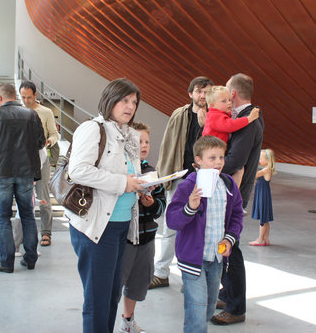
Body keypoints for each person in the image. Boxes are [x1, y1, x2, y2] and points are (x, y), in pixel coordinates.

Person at [68, 78, 145, 333]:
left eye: (134, 102)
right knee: (98, 300)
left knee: (112, 295)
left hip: (122, 224)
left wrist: (141, 186)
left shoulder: (129, 135)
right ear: (110, 99)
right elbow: (78, 170)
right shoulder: (92, 128)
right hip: (98, 226)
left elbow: (128, 175)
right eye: (125, 100)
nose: (130, 106)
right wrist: (122, 183)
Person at [166, 135, 244, 333]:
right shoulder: (188, 186)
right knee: (196, 312)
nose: (218, 162)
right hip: (193, 260)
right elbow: (172, 220)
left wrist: (229, 239)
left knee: (209, 307)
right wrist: (190, 207)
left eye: (221, 157)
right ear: (198, 161)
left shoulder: (228, 185)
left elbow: (236, 215)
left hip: (216, 258)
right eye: (212, 158)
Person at [0, 83, 45, 273]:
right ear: (15, 96)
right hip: (26, 172)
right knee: (28, 215)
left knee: (3, 217)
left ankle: (6, 262)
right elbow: (40, 142)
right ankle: (30, 259)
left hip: (1, 172)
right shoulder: (31, 115)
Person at [150, 76, 214, 289]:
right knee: (170, 226)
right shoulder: (180, 114)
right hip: (180, 177)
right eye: (198, 91)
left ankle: (194, 277)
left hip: (205, 178)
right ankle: (161, 272)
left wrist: (207, 124)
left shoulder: (217, 116)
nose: (202, 95)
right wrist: (163, 173)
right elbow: (168, 145)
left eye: (206, 91)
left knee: (201, 228)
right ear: (191, 94)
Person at [211, 73, 264, 326]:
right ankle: (226, 293)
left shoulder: (249, 119)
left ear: (232, 94)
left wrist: (207, 167)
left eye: (225, 95)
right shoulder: (245, 117)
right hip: (230, 191)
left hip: (234, 194)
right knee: (225, 247)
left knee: (230, 248)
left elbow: (235, 160)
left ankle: (236, 307)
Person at [118, 122, 166, 333]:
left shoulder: (153, 174)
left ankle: (128, 321)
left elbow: (160, 208)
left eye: (147, 141)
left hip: (146, 239)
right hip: (124, 239)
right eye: (139, 141)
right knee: (116, 282)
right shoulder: (120, 171)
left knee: (138, 283)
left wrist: (152, 203)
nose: (144, 145)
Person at [19, 81, 59, 247]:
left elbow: (55, 134)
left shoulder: (46, 112)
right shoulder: (18, 112)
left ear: (35, 95)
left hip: (41, 160)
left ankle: (46, 232)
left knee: (43, 196)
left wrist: (48, 142)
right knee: (22, 197)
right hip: (21, 160)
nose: (26, 101)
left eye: (29, 97)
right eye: (23, 97)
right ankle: (24, 233)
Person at [249, 149, 276, 246]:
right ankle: (266, 239)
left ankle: (260, 239)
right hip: (263, 193)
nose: (259, 160)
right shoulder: (265, 169)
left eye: (260, 158)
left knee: (263, 219)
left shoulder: (266, 170)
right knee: (265, 218)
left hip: (263, 195)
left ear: (268, 160)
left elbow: (253, 175)